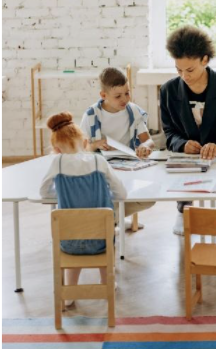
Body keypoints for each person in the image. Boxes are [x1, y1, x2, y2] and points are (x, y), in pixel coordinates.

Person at [160, 26, 216, 235]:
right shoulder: (168, 90)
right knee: (184, 184)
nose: (184, 76)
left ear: (205, 60)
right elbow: (169, 132)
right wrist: (183, 145)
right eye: (179, 70)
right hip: (188, 162)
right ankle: (183, 210)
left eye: (189, 70)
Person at [40, 112, 127, 308]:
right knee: (105, 234)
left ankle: (70, 291)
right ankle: (108, 282)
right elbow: (121, 193)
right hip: (101, 241)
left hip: (68, 242)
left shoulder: (57, 163)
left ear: (56, 149)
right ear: (85, 142)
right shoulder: (99, 162)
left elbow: (43, 191)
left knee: (73, 236)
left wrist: (61, 193)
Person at [80, 67, 155, 230]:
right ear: (103, 95)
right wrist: (95, 144)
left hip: (129, 165)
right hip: (100, 168)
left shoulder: (133, 111)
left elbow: (148, 141)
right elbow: (81, 150)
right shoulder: (91, 115)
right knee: (101, 190)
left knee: (151, 197)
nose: (125, 99)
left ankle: (111, 216)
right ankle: (112, 217)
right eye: (118, 96)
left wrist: (144, 146)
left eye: (127, 93)